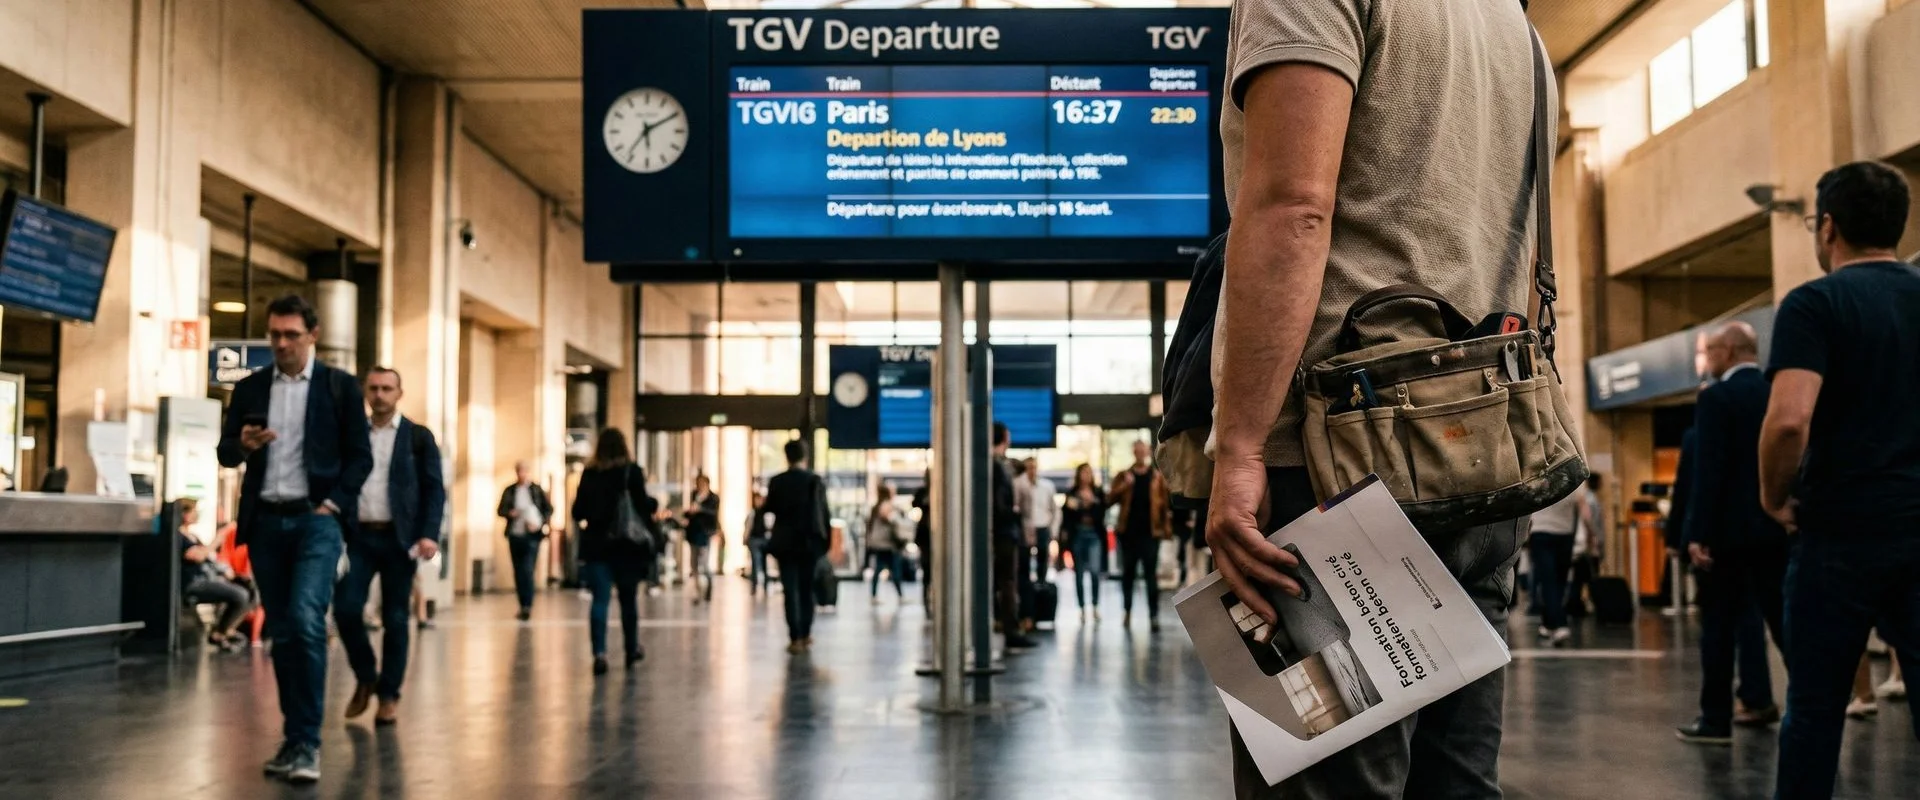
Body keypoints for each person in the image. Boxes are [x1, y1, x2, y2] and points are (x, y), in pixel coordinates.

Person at [1206, 1, 1548, 794]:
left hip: (1336, 461)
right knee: (1456, 781)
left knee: (1325, 783)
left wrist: (1242, 448)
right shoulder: (1512, 23)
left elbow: (1294, 207)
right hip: (1487, 450)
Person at [1761, 161, 1920, 798]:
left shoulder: (1815, 304)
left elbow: (1789, 422)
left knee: (1816, 710)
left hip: (1840, 536)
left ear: (1827, 227)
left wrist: (1773, 496)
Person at [216, 294, 372, 784]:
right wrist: (241, 445)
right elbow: (224, 452)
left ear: (313, 335)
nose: (281, 344)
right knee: (283, 631)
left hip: (316, 521)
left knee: (306, 619)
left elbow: (361, 456)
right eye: (274, 335)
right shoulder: (251, 388)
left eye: (290, 335)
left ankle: (307, 742)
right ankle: (294, 737)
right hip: (266, 522)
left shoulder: (339, 388)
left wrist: (334, 504)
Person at [1676, 322, 1789, 743]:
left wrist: (1698, 532)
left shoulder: (1717, 398)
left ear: (1733, 350)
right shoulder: (1775, 391)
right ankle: (1815, 713)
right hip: (1774, 531)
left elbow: (1711, 471)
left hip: (1726, 536)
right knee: (1782, 623)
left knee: (1719, 629)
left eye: (1713, 349)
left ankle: (1715, 719)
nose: (1708, 358)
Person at [333, 367, 444, 727]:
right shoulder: (353, 434)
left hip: (400, 540)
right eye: (374, 388)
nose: (379, 394)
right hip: (361, 537)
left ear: (399, 393)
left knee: (397, 618)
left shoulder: (418, 437)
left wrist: (428, 534)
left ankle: (389, 695)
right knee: (347, 608)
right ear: (366, 392)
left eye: (387, 389)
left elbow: (433, 489)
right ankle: (367, 675)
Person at [571, 428, 657, 676]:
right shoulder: (632, 472)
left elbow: (578, 512)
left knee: (600, 600)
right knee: (628, 600)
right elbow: (643, 507)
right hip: (627, 546)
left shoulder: (590, 474)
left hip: (597, 546)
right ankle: (631, 648)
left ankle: (599, 653)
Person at [762, 440, 830, 653]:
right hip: (809, 544)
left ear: (787, 457)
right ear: (805, 456)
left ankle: (795, 637)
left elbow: (769, 508)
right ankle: (806, 633)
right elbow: (824, 513)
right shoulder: (814, 480)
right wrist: (824, 542)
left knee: (790, 590)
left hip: (785, 543)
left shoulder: (777, 481)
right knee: (806, 588)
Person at [176, 498, 255, 652]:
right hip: (194, 582)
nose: (196, 514)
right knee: (240, 595)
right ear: (185, 514)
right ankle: (220, 632)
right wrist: (218, 539)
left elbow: (209, 558)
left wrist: (226, 571)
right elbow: (198, 556)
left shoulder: (193, 536)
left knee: (251, 590)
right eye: (193, 511)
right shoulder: (180, 537)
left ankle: (227, 629)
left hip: (208, 576)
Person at [1110, 441, 1171, 631]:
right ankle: (1127, 611)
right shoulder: (1123, 476)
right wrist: (1123, 487)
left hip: (1150, 534)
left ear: (1147, 453)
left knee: (1150, 576)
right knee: (1127, 574)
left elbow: (1165, 506)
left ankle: (1153, 615)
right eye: (1137, 450)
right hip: (1128, 533)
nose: (1140, 453)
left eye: (1143, 450)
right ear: (1133, 452)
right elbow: (1109, 499)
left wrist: (1164, 528)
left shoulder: (1156, 477)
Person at [990, 423, 1038, 651]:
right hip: (1004, 534)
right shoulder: (998, 467)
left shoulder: (996, 463)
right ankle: (1011, 628)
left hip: (1000, 532)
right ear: (1004, 438)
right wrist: (1013, 513)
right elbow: (1000, 505)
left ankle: (1007, 625)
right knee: (1008, 582)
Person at [496, 461, 553, 621]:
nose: (522, 474)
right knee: (518, 570)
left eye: (524, 471)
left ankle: (528, 604)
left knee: (528, 569)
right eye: (519, 471)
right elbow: (500, 510)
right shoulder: (510, 490)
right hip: (515, 534)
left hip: (532, 535)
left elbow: (548, 509)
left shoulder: (536, 490)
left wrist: (539, 523)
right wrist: (510, 513)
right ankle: (522, 604)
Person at [1526, 489, 1580, 647]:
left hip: (1545, 533)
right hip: (1558, 533)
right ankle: (1560, 624)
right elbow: (1582, 505)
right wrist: (1592, 534)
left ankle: (1548, 623)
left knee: (1553, 580)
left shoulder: (1538, 471)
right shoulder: (1573, 469)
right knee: (1554, 580)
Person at [1061, 463, 1108, 620]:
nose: (1086, 476)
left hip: (1094, 535)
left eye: (1088, 473)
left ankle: (1095, 605)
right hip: (1078, 534)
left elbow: (1102, 513)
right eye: (1083, 473)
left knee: (1095, 571)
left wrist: (1092, 503)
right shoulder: (1072, 493)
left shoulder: (1097, 493)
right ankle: (1082, 608)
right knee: (1079, 573)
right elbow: (1067, 515)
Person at [1564, 474, 1606, 618]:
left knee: (1579, 576)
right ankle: (1587, 603)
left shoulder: (1586, 498)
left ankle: (1577, 603)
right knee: (1588, 576)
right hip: (1587, 544)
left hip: (1580, 543)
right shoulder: (1590, 500)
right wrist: (1596, 542)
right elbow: (1592, 522)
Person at [1023, 456, 1059, 598]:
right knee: (1025, 560)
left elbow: (1054, 510)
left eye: (1034, 467)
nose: (1032, 471)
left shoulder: (1047, 487)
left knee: (1042, 559)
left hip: (1042, 527)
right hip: (1027, 527)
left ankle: (1041, 586)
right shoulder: (1022, 486)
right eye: (1029, 468)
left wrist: (1053, 531)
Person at [864, 484, 908, 600]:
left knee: (879, 569)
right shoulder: (886, 506)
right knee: (894, 570)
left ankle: (874, 595)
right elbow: (892, 521)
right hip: (887, 544)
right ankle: (900, 595)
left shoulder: (875, 507)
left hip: (879, 544)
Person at [682, 474, 720, 604]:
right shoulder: (694, 496)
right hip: (693, 533)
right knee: (694, 565)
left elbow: (713, 513)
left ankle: (708, 587)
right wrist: (689, 512)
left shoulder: (713, 498)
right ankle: (698, 591)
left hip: (705, 534)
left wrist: (700, 509)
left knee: (704, 564)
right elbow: (688, 513)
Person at [745, 490, 771, 596]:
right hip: (754, 540)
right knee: (755, 563)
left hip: (765, 540)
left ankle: (765, 586)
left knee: (765, 564)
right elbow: (748, 527)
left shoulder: (767, 514)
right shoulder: (752, 513)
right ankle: (754, 586)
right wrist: (745, 539)